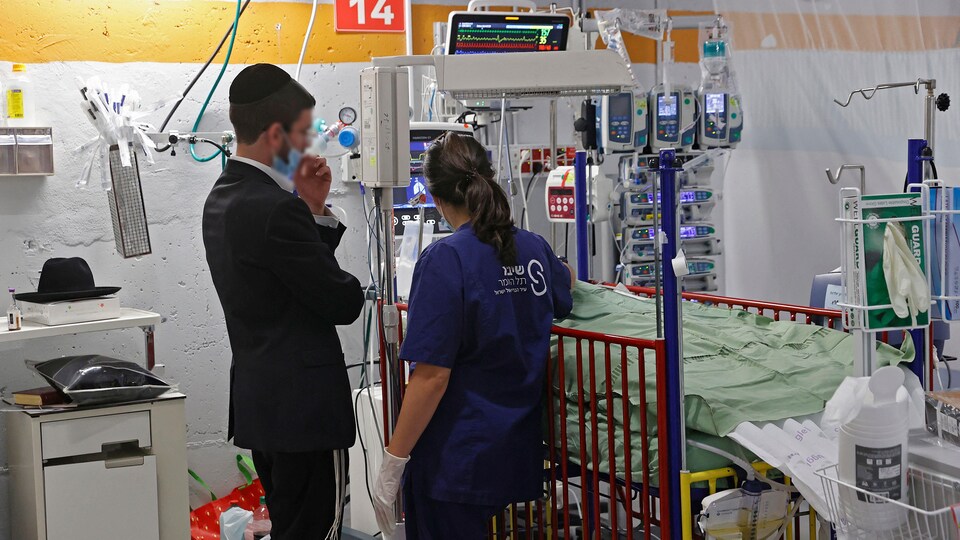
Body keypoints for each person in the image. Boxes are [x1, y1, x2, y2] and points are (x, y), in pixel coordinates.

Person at [372, 132, 575, 539]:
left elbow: (431, 378)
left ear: (434, 196)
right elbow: (565, 285)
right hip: (516, 448)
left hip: (457, 459)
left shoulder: (446, 260)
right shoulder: (533, 248)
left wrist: (394, 459)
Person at [202, 63, 364, 540]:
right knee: (315, 530)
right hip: (306, 416)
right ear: (275, 134)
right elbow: (340, 300)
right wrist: (349, 279)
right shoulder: (275, 207)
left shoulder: (223, 197)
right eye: (303, 133)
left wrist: (314, 209)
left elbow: (287, 282)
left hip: (264, 409)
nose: (309, 146)